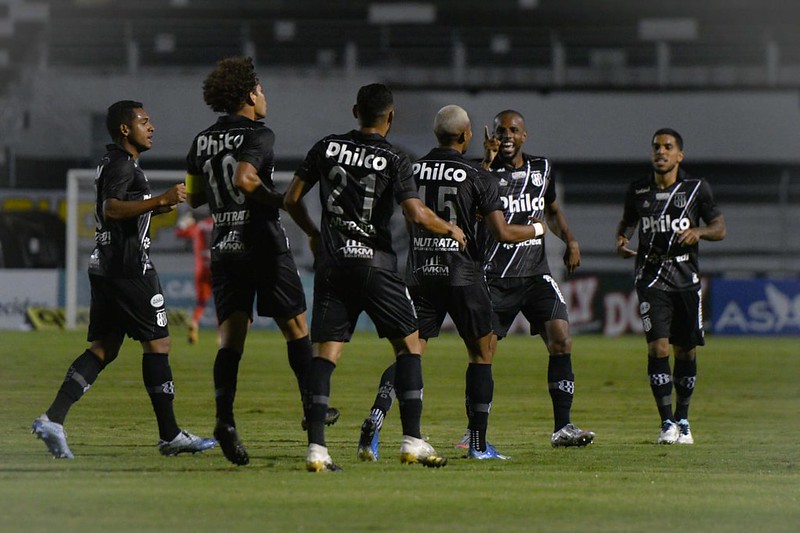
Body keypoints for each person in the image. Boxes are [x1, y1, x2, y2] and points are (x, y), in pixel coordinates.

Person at [284, 83, 467, 472]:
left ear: (355, 111)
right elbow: (416, 214)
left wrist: (315, 234)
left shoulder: (326, 146)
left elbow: (290, 199)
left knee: (326, 355)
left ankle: (316, 450)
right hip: (376, 265)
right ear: (391, 116)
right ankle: (412, 440)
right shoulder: (395, 157)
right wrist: (449, 228)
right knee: (410, 347)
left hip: (333, 265)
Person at [357, 105, 550, 462]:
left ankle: (375, 423)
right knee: (481, 354)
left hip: (420, 274)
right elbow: (503, 233)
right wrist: (539, 228)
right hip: (463, 276)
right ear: (466, 136)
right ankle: (477, 444)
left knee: (409, 353)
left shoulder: (411, 168)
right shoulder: (478, 176)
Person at [31, 100, 217, 459]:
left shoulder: (115, 163)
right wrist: (160, 197)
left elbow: (122, 204)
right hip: (130, 268)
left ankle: (52, 419)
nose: (152, 127)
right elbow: (111, 208)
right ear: (124, 129)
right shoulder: (121, 163)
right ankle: (170, 435)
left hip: (106, 266)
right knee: (159, 344)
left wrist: (155, 204)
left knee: (103, 348)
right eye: (144, 122)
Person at [185, 57, 338, 466]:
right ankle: (312, 409)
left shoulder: (201, 140)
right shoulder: (259, 133)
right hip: (261, 240)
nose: (265, 97)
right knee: (296, 327)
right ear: (251, 94)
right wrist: (282, 202)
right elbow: (246, 179)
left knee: (230, 340)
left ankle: (224, 420)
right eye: (262, 89)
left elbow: (197, 196)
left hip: (224, 244)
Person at [478, 109, 595, 448]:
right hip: (495, 276)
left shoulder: (542, 169)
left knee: (561, 339)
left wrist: (569, 239)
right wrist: (485, 164)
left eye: (514, 130)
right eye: (502, 130)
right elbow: (471, 211)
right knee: (483, 354)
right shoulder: (481, 171)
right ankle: (475, 433)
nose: (507, 135)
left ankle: (563, 427)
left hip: (535, 275)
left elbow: (553, 209)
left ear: (525, 135)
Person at [615, 128, 726, 445]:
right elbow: (626, 223)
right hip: (651, 277)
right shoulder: (638, 190)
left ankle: (683, 419)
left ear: (680, 155)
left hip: (686, 278)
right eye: (656, 147)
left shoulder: (695, 189)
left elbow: (720, 228)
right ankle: (666, 422)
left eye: (668, 147)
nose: (660, 152)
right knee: (658, 347)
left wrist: (699, 232)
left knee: (686, 350)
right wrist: (622, 240)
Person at [175, 211, 214, 344]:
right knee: (223, 301)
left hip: (201, 268)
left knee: (201, 301)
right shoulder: (221, 223)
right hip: (217, 266)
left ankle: (194, 322)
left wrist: (183, 222)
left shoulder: (199, 226)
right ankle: (222, 335)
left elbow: (179, 233)